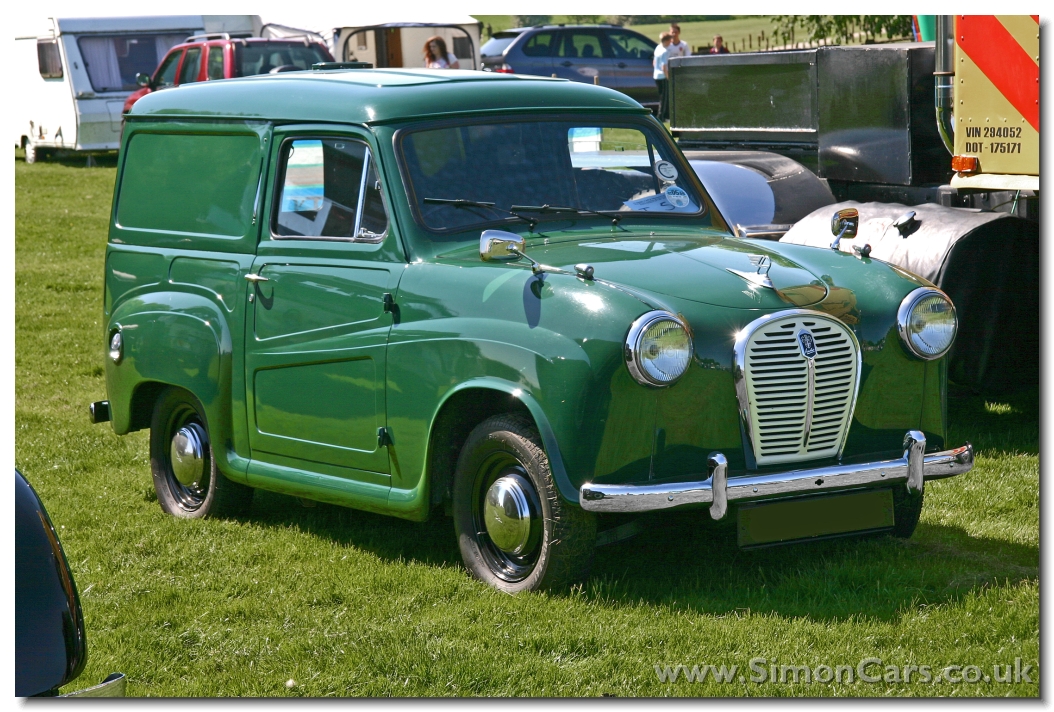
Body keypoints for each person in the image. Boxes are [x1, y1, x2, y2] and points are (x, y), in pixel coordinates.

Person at [653, 32, 673, 122]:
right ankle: (660, 117)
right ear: (667, 41)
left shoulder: (658, 48)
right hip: (662, 76)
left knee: (662, 96)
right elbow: (664, 66)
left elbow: (654, 62)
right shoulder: (665, 51)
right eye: (670, 40)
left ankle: (667, 116)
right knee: (664, 98)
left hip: (656, 75)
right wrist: (668, 77)